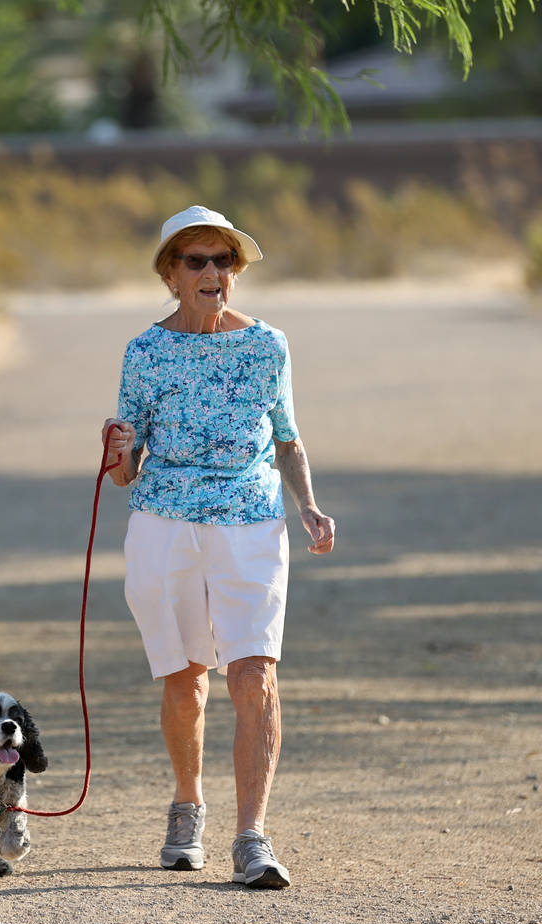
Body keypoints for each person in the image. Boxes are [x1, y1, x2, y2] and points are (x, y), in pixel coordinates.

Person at [101, 205, 335, 889]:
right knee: (184, 681)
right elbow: (126, 472)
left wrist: (309, 505)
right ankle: (187, 806)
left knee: (254, 675)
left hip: (251, 521)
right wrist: (118, 452)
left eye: (223, 260)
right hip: (164, 524)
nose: (213, 272)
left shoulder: (268, 345)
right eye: (197, 261)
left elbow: (287, 436)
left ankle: (252, 836)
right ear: (171, 274)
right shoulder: (144, 352)